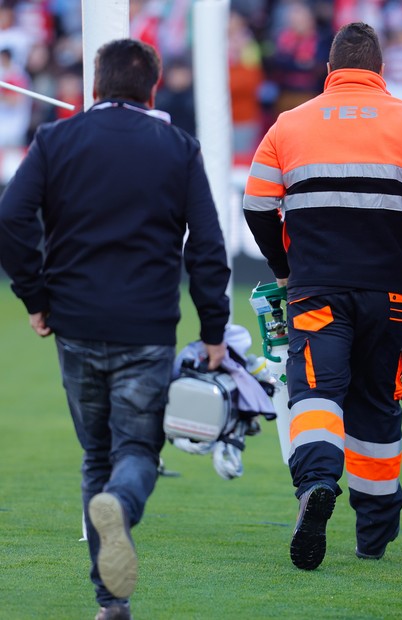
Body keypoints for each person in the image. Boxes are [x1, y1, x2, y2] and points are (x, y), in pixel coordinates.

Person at [0, 39, 230, 619]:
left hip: (74, 323)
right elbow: (207, 246)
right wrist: (213, 328)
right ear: (152, 89)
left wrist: (35, 295)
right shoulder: (177, 147)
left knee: (95, 455)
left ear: (95, 87)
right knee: (135, 452)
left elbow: (10, 216)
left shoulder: (57, 139)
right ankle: (120, 509)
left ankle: (111, 602)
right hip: (146, 328)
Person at [243, 22, 402, 571]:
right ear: (381, 71)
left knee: (315, 394)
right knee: (376, 404)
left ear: (329, 70)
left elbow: (254, 204)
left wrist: (284, 266)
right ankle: (374, 534)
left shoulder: (290, 123)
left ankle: (318, 482)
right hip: (390, 294)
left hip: (316, 288)